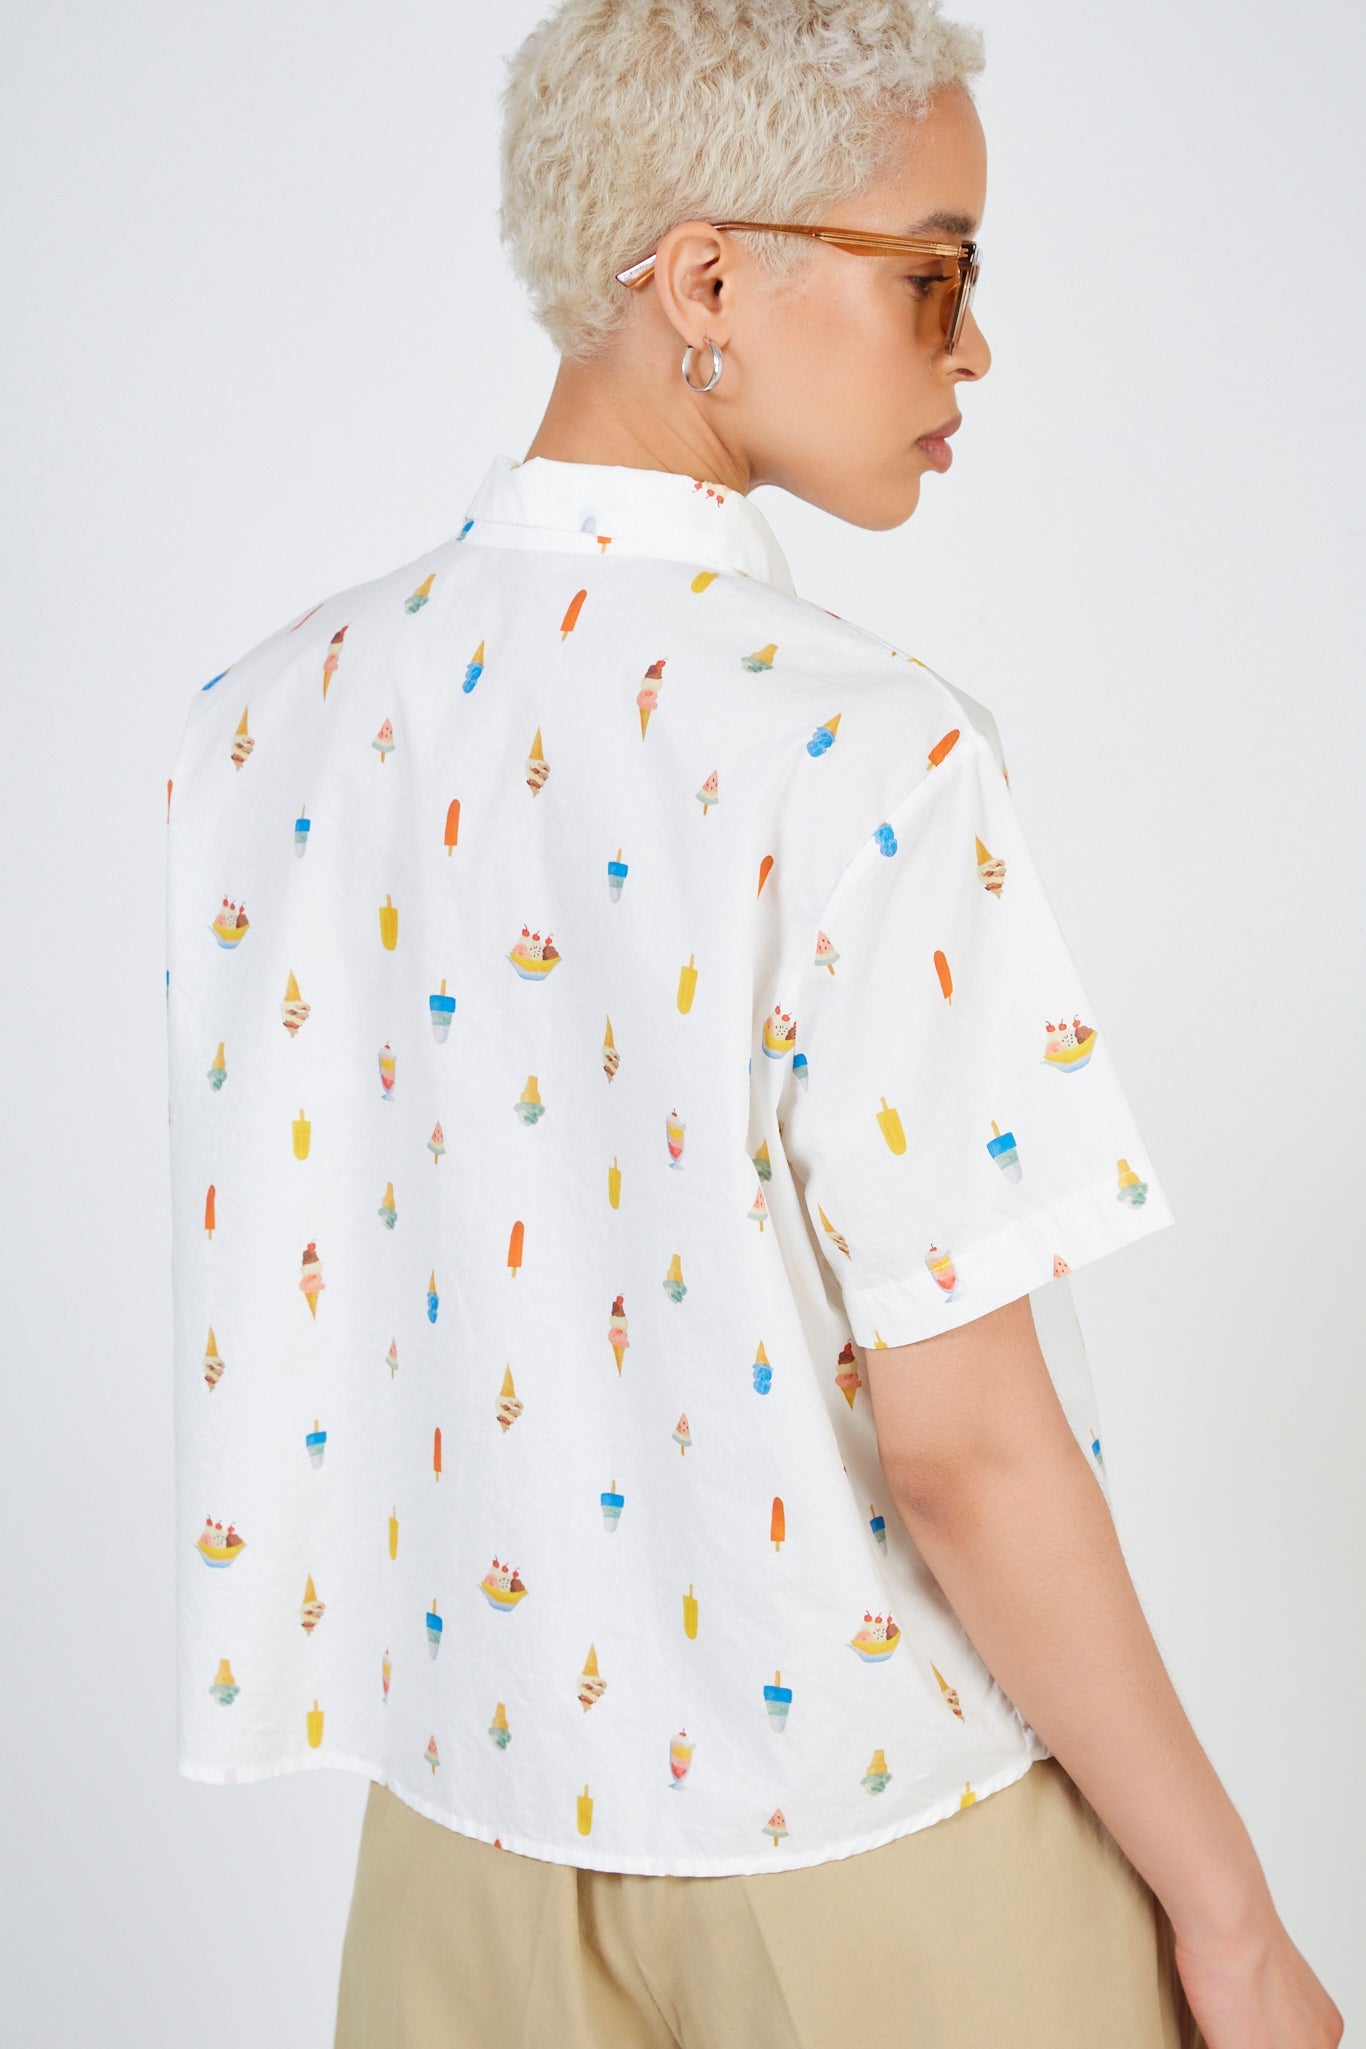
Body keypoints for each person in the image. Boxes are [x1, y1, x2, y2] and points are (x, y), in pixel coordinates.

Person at [161, 4, 1343, 2046]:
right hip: (879, 1849)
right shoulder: (865, 752)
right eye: (933, 273)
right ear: (702, 281)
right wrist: (1229, 1922)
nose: (974, 349)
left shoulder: (272, 722)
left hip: (459, 1842)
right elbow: (966, 1450)